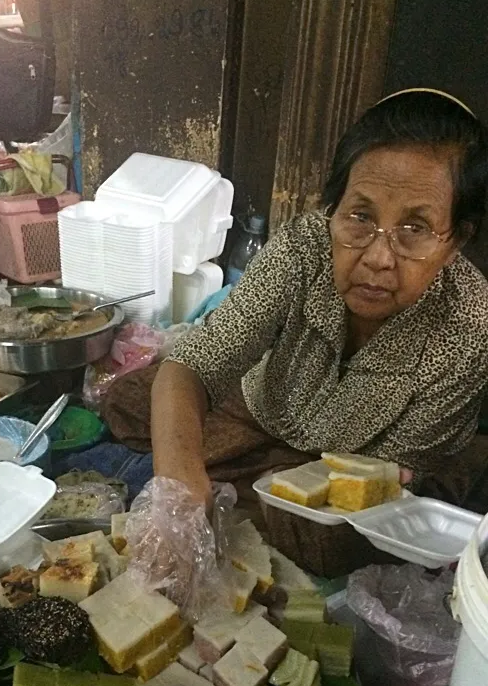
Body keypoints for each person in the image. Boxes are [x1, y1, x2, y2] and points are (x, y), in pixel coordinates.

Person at [104, 90, 488, 515]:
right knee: (132, 400)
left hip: (361, 465)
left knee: (330, 534)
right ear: (333, 209)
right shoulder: (304, 247)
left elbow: (383, 479)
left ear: (456, 240)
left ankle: (250, 485)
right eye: (360, 217)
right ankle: (243, 480)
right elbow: (197, 362)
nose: (378, 258)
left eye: (415, 228)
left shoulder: (469, 323)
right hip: (265, 408)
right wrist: (179, 485)